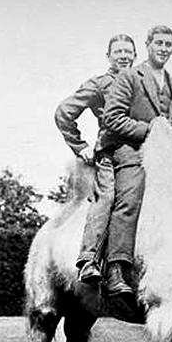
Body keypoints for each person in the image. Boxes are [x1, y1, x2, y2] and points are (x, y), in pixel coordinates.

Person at [99, 25, 172, 296]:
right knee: (130, 197)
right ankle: (116, 268)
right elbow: (112, 119)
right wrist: (149, 129)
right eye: (159, 43)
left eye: (168, 44)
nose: (163, 48)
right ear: (148, 45)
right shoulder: (129, 76)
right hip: (131, 150)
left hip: (164, 155)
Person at [54, 34, 137, 283]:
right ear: (108, 56)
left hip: (145, 155)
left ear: (135, 55)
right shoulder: (99, 84)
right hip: (111, 154)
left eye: (127, 51)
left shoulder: (144, 86)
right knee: (108, 197)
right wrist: (80, 146)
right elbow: (64, 112)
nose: (123, 55)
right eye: (118, 51)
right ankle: (89, 259)